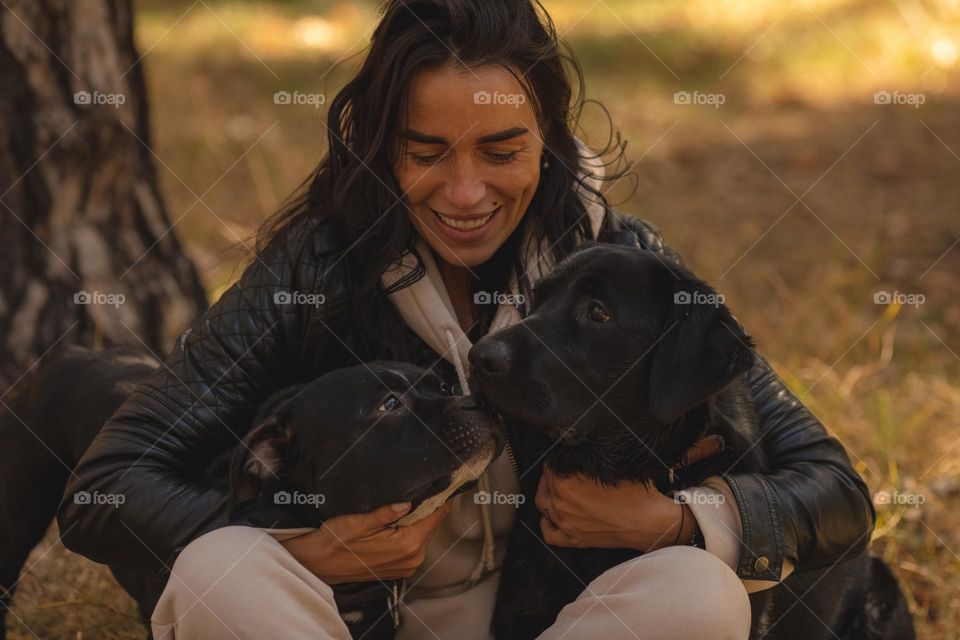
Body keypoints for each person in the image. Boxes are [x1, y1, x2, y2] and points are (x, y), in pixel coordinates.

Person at [57, 1, 874, 638]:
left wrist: (677, 521)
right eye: (426, 152)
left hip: (558, 621)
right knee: (217, 570)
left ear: (549, 139)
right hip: (345, 620)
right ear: (382, 147)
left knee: (698, 593)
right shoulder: (314, 268)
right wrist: (305, 547)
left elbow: (833, 490)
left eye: (500, 150)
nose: (464, 192)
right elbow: (104, 489)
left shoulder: (624, 266)